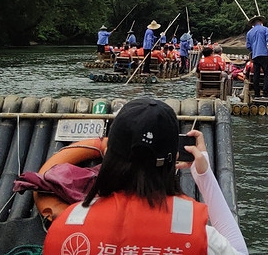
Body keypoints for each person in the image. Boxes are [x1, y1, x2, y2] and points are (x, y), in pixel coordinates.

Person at [42, 97, 247, 255]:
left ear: (108, 152)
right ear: (172, 160)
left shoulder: (66, 225)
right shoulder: (199, 237)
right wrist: (204, 175)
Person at [245, 15, 268, 99]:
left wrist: (254, 49)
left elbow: (248, 46)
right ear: (260, 22)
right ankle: (265, 93)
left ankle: (257, 94)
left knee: (256, 74)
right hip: (264, 54)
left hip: (255, 56)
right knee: (267, 73)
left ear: (253, 24)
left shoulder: (249, 33)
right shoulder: (264, 29)